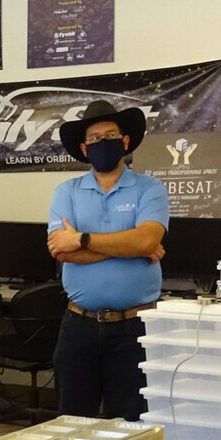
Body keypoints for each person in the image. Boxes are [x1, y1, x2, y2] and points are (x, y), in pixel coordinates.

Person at [47, 99, 168, 421]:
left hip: (135, 327)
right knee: (71, 423)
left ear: (125, 142)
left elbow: (147, 239)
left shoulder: (149, 188)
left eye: (110, 135)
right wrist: (130, 245)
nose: (103, 143)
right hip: (78, 327)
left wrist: (82, 238)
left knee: (132, 425)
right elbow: (61, 251)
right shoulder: (67, 191)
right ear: (85, 149)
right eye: (95, 139)